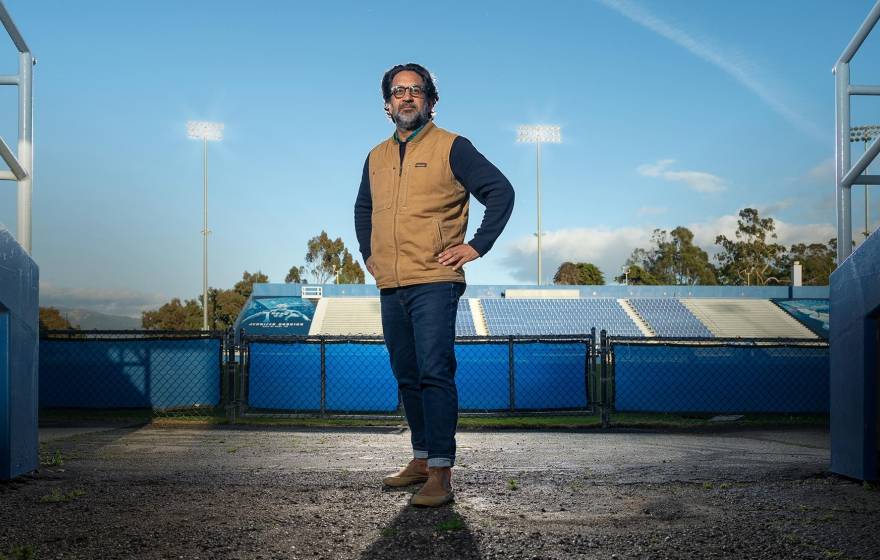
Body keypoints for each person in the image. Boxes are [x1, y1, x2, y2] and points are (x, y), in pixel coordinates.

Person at [354, 63, 514, 507]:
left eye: (416, 90)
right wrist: (370, 255)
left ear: (431, 102)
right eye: (398, 91)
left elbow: (501, 191)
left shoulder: (453, 147)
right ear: (387, 105)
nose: (407, 97)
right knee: (406, 375)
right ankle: (421, 459)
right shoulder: (375, 156)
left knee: (434, 373)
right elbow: (363, 209)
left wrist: (476, 246)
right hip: (391, 283)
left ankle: (441, 473)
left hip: (435, 280)